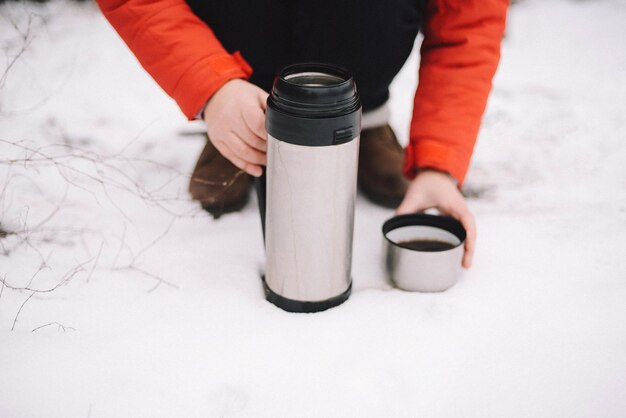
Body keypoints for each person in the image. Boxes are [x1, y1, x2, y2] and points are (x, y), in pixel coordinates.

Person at [95, 0, 509, 269]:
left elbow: (469, 21)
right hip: (238, 59)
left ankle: (365, 122)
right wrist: (212, 87)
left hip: (366, 50)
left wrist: (439, 163)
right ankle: (244, 125)